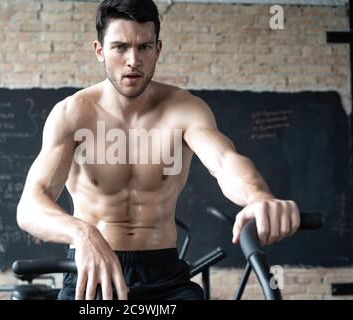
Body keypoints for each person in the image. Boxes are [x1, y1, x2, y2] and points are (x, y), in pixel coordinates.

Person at [16, 0, 300, 300]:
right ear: (100, 51)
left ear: (158, 49)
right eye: (120, 47)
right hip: (91, 275)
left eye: (144, 47)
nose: (133, 60)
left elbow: (225, 162)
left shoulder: (185, 109)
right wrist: (81, 232)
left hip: (165, 277)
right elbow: (30, 205)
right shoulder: (72, 114)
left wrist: (258, 196)